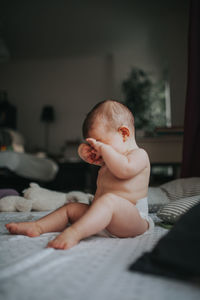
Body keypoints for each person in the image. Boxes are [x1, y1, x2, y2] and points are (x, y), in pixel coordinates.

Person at [5, 100, 154, 250]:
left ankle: (75, 232)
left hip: (132, 220)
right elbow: (103, 162)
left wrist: (103, 149)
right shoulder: (109, 160)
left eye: (100, 143)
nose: (97, 150)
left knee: (110, 201)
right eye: (94, 146)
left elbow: (124, 170)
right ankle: (38, 226)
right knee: (71, 208)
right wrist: (85, 153)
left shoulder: (139, 155)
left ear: (124, 133)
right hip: (102, 219)